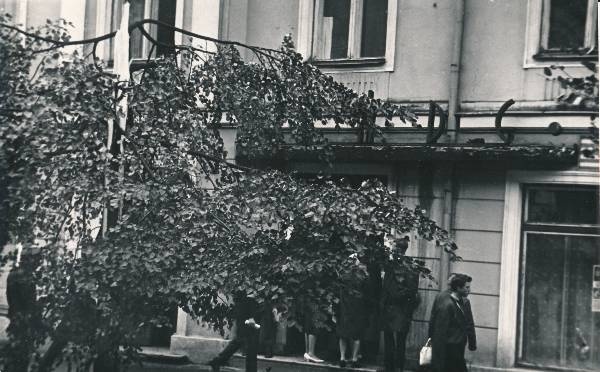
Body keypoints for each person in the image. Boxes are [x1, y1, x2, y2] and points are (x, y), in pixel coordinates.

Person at [381, 236, 419, 372]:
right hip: (392, 309)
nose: (392, 252)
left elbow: (411, 290)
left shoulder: (408, 267)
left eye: (393, 249)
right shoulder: (393, 266)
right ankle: (391, 367)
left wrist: (395, 296)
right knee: (391, 339)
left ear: (399, 250)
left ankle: (396, 367)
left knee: (397, 340)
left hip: (399, 309)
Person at [428, 273, 476, 372]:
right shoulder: (447, 305)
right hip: (449, 349)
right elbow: (440, 332)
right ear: (458, 288)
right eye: (466, 287)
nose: (469, 290)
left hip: (457, 347)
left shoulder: (461, 302)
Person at [4, 249, 41, 372]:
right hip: (23, 320)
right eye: (37, 259)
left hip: (16, 317)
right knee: (20, 356)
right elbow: (28, 302)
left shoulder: (14, 273)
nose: (39, 263)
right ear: (29, 260)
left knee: (14, 355)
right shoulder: (24, 276)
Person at [206, 292, 262, 372]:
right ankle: (217, 361)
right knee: (250, 349)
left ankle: (216, 361)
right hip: (248, 324)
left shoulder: (243, 299)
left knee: (237, 343)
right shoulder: (249, 300)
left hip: (243, 320)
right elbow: (251, 317)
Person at [335, 253, 368, 368]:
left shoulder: (342, 275)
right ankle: (354, 359)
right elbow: (365, 292)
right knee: (356, 335)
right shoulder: (362, 276)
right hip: (358, 308)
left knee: (343, 334)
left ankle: (342, 358)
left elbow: (338, 292)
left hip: (344, 308)